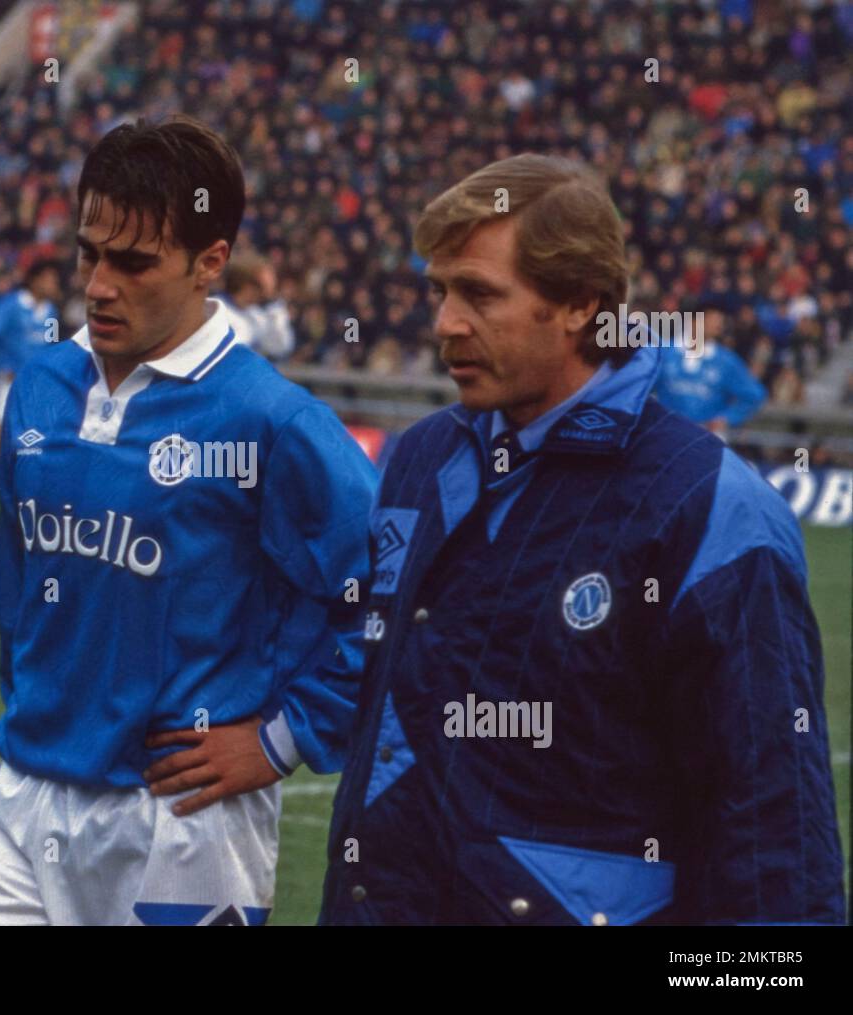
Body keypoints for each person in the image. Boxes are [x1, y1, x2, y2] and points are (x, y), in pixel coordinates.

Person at [320, 154, 845, 925]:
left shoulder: (708, 508)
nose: (444, 324)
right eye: (439, 291)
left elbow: (774, 836)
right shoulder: (423, 458)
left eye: (478, 294)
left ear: (578, 305)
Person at [0, 115, 376, 926]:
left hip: (182, 821)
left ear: (211, 262)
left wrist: (284, 738)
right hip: (23, 794)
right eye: (89, 252)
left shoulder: (271, 420)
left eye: (134, 262)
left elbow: (387, 592)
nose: (100, 284)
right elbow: (21, 587)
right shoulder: (40, 387)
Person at [0, 259, 63, 525]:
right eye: (50, 278)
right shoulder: (13, 306)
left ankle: (30, 512)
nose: (54, 284)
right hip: (12, 386)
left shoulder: (50, 312)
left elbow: (51, 345)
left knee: (38, 448)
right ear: (35, 280)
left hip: (40, 388)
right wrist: (0, 364)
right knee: (0, 448)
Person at [653, 308, 767, 436]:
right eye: (711, 320)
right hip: (666, 433)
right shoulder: (664, 352)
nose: (717, 325)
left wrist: (728, 418)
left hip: (706, 437)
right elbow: (642, 387)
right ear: (694, 321)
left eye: (719, 322)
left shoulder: (726, 360)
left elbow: (754, 394)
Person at [218, 252, 296, 360]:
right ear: (246, 284)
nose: (265, 291)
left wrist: (272, 301)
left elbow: (281, 347)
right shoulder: (215, 309)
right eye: (261, 286)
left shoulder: (257, 315)